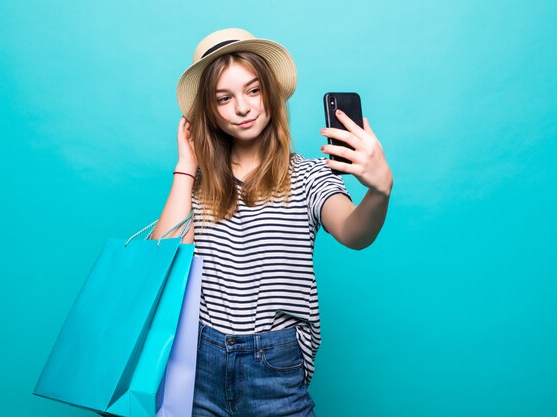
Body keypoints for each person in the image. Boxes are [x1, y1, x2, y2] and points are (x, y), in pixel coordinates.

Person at [150, 28, 393, 417]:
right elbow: (163, 263)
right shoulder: (197, 185)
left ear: (272, 92)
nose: (242, 108)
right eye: (223, 99)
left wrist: (379, 191)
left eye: (253, 90)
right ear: (208, 112)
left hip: (274, 365)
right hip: (197, 362)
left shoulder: (310, 176)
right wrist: (185, 167)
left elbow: (354, 232)